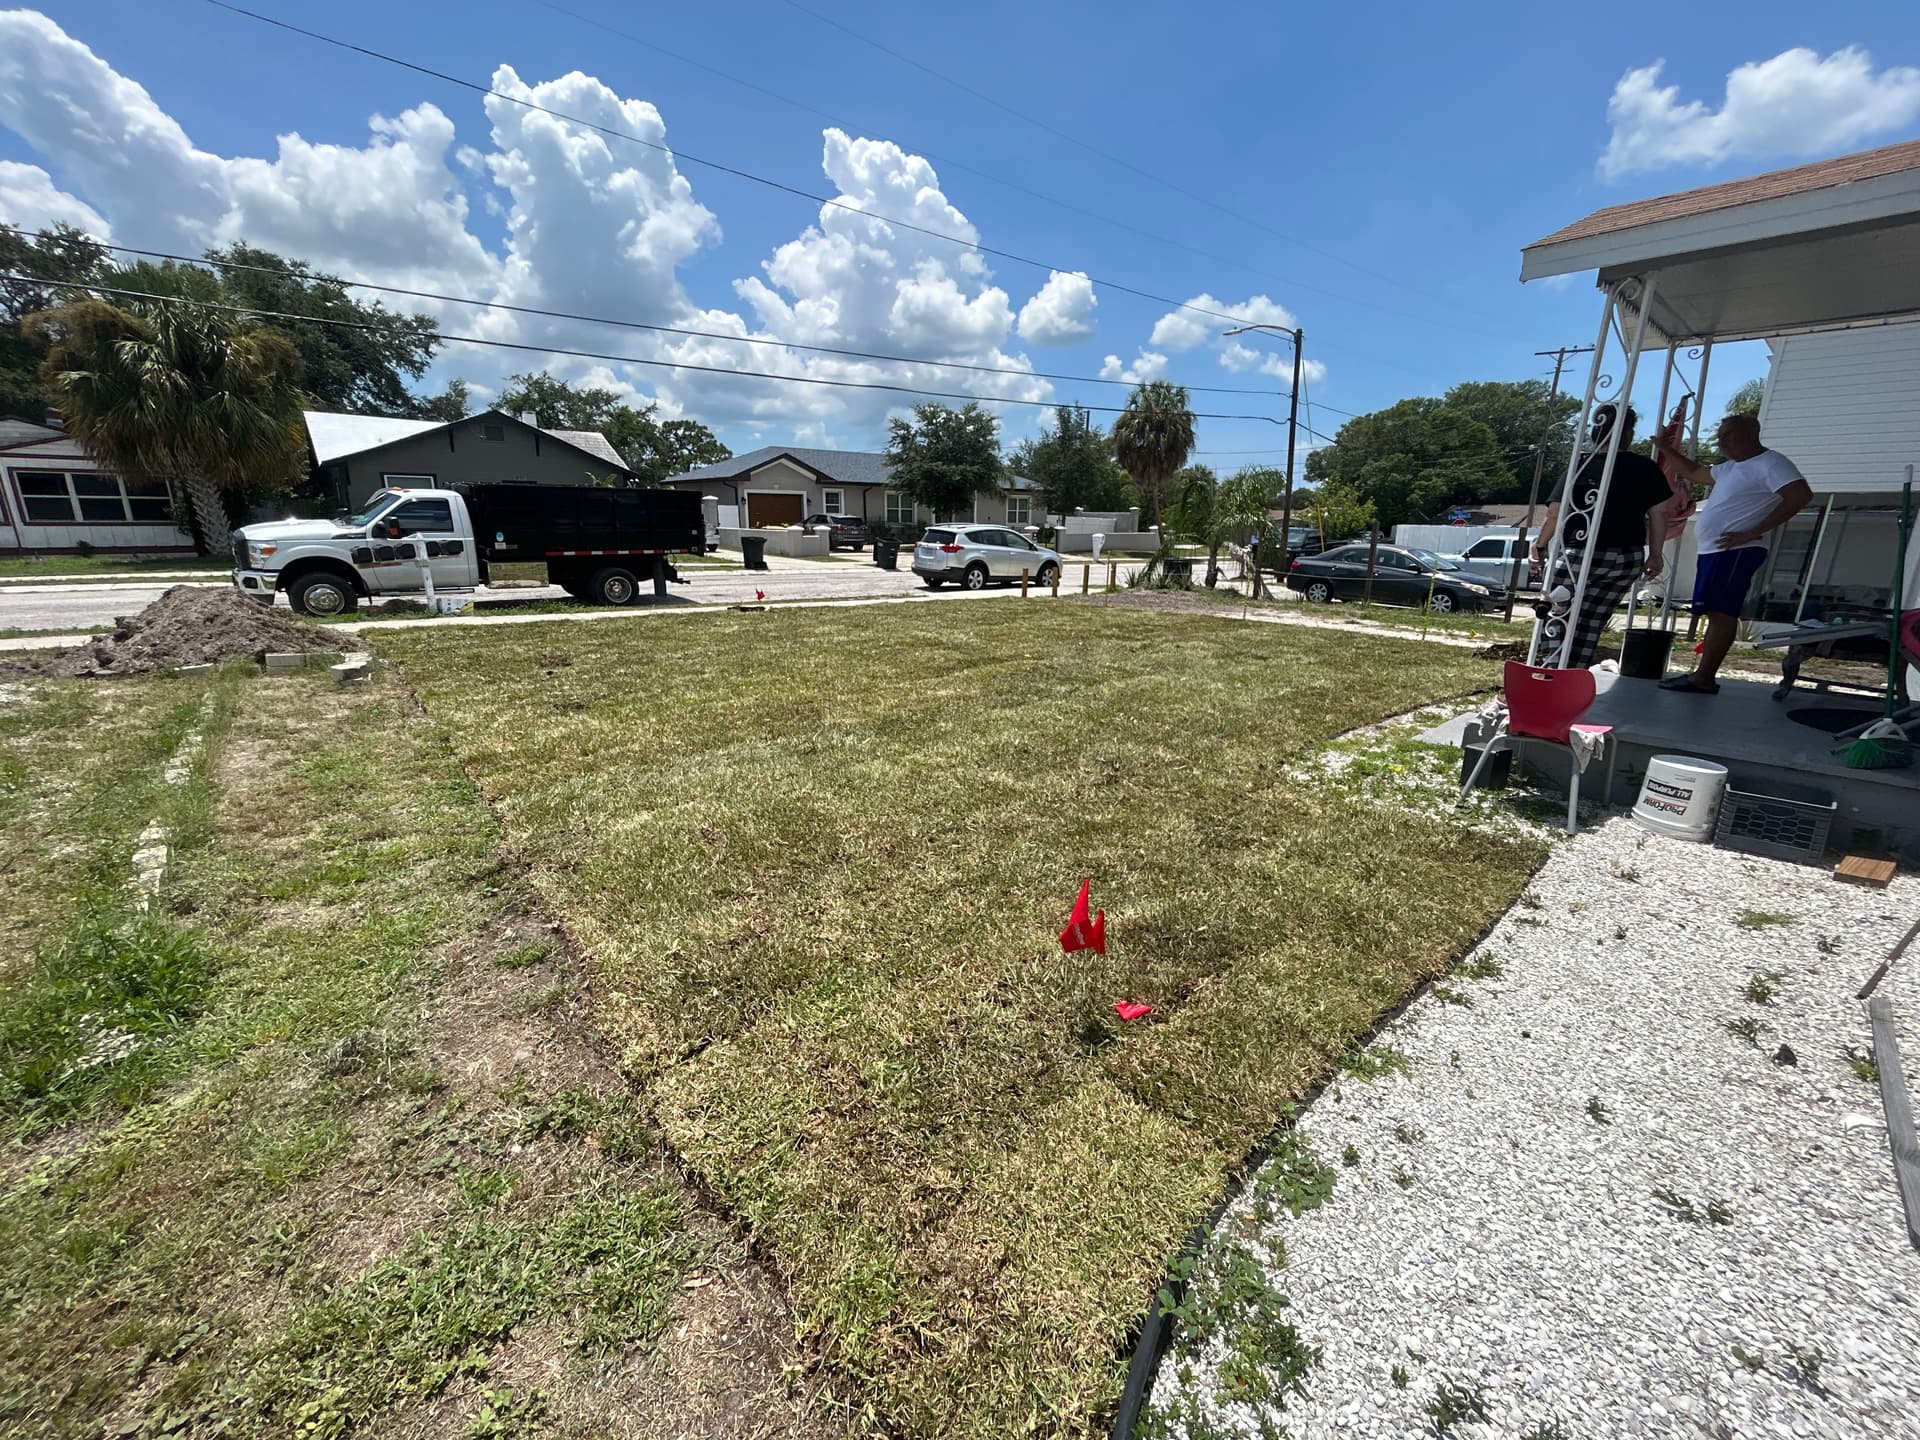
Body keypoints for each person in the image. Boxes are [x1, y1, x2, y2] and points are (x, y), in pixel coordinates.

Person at [1653, 413, 1812, 694]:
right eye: (1720, 434)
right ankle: (1701, 674)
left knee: (1722, 612)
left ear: (1751, 433)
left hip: (1737, 550)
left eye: (1728, 434)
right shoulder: (1729, 468)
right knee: (1714, 611)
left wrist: (1754, 531)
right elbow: (1692, 472)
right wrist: (1666, 449)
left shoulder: (1771, 463)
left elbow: (1800, 495)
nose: (1721, 440)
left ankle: (1704, 678)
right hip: (1714, 551)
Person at [1529, 404, 1675, 669]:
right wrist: (1655, 554)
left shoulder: (1583, 464)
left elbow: (1554, 513)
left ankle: (1551, 673)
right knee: (1591, 622)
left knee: (1556, 615)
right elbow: (1659, 515)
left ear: (1596, 429)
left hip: (1582, 552)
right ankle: (1573, 675)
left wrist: (1539, 546)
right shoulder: (1645, 467)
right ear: (1628, 433)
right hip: (1627, 556)